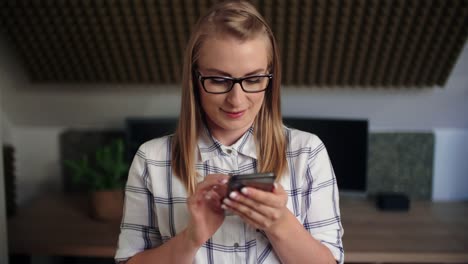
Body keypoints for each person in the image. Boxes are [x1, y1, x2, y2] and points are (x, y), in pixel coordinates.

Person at [115, 1, 344, 263]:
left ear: (271, 78)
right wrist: (190, 238)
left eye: (254, 79)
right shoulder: (151, 159)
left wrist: (279, 223)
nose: (237, 100)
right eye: (219, 80)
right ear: (194, 80)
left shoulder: (308, 153)